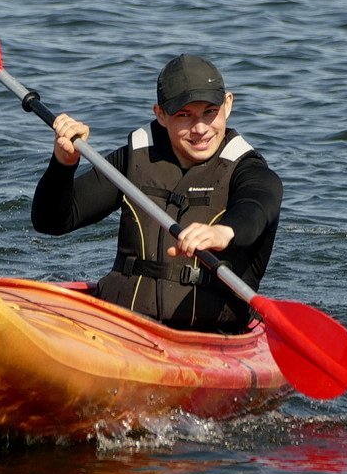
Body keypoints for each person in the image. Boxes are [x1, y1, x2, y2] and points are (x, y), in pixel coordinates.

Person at [31, 54, 283, 333]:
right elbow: (51, 222)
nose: (200, 129)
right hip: (123, 325)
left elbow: (258, 205)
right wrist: (63, 165)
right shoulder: (134, 160)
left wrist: (224, 232)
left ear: (228, 105)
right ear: (161, 114)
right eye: (184, 115)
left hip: (210, 335)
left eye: (209, 112)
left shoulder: (249, 170)